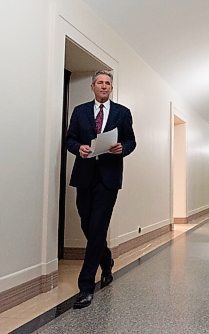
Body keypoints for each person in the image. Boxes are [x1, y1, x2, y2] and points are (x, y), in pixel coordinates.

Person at [66, 70, 136, 309]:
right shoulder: (80, 111)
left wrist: (121, 148)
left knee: (97, 227)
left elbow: (131, 141)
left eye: (108, 83)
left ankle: (86, 286)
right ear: (92, 86)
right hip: (84, 176)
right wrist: (79, 149)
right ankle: (106, 261)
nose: (104, 86)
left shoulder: (122, 113)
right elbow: (69, 139)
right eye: (100, 83)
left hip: (108, 178)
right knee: (87, 223)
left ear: (111, 88)